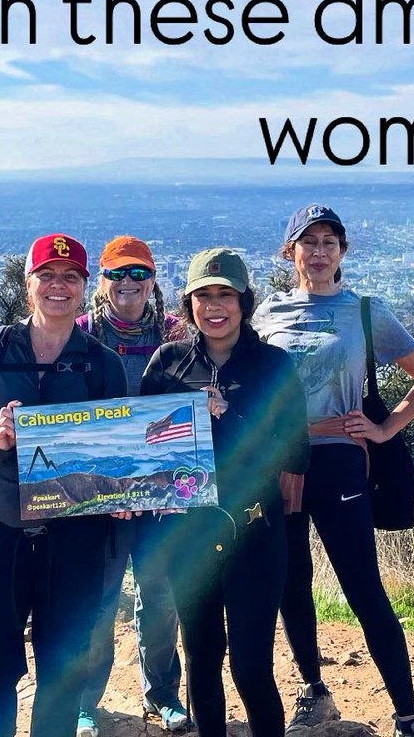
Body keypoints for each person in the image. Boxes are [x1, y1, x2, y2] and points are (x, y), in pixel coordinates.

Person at [252, 205, 414, 737]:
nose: (318, 252)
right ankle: (314, 692)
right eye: (307, 242)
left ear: (343, 251)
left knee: (363, 587)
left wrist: (385, 430)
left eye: (329, 242)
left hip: (339, 459)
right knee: (293, 581)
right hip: (280, 463)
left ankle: (407, 713)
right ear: (289, 251)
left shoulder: (365, 311)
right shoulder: (266, 315)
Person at [0, 233, 129, 737]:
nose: (58, 286)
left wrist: (126, 494)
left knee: (63, 669)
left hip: (74, 541)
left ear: (84, 287)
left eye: (70, 277)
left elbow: (121, 452)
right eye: (46, 275)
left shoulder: (100, 363)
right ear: (29, 284)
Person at [140, 247, 309, 737]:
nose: (214, 306)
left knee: (252, 666)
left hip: (256, 530)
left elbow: (296, 451)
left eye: (225, 295)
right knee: (202, 660)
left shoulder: (273, 365)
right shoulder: (168, 363)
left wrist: (227, 417)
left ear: (244, 301)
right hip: (188, 534)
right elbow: (142, 446)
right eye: (203, 295)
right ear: (189, 302)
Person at [75, 236, 188, 736]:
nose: (128, 284)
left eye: (139, 274)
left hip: (160, 497)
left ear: (153, 281)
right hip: (99, 499)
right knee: (97, 600)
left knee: (160, 595)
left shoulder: (177, 335)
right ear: (102, 280)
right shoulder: (79, 335)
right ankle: (84, 701)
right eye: (118, 274)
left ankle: (162, 695)